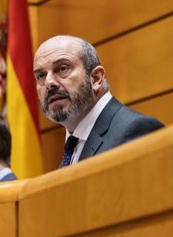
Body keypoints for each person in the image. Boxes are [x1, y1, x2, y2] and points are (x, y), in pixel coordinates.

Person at [33, 35, 164, 168]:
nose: (49, 83)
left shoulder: (136, 130)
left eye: (62, 68)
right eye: (41, 76)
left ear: (96, 79)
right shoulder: (73, 144)